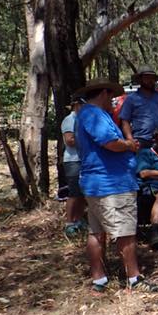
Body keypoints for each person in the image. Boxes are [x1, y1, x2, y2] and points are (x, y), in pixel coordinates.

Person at [75, 79, 158, 293]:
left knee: (97, 232)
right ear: (103, 93)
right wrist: (129, 145)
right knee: (125, 232)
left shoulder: (87, 114)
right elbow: (110, 142)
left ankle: (100, 279)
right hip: (112, 184)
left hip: (98, 183)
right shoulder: (94, 114)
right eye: (111, 97)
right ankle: (134, 278)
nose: (113, 101)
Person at [119, 65, 158, 148]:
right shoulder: (131, 99)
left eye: (152, 78)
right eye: (147, 78)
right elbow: (125, 121)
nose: (150, 81)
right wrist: (130, 140)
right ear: (140, 80)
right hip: (141, 140)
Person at [61, 94, 87, 237]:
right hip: (73, 161)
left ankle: (79, 219)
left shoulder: (82, 120)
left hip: (83, 160)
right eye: (83, 105)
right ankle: (69, 222)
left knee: (82, 192)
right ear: (76, 105)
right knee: (74, 192)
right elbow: (69, 140)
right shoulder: (69, 120)